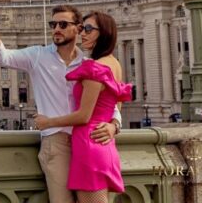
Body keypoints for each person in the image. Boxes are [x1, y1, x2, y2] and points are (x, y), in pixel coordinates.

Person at [0, 5, 121, 203]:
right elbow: (2, 57)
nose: (56, 29)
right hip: (57, 143)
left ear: (78, 29)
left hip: (87, 141)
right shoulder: (38, 55)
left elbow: (107, 103)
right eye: (53, 24)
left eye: (63, 24)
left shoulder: (88, 63)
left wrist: (115, 125)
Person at [35, 11, 132, 203]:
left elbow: (84, 116)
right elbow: (116, 104)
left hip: (89, 145)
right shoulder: (115, 64)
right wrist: (114, 125)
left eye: (88, 29)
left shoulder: (95, 68)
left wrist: (48, 122)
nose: (82, 34)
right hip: (105, 144)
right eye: (81, 29)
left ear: (103, 33)